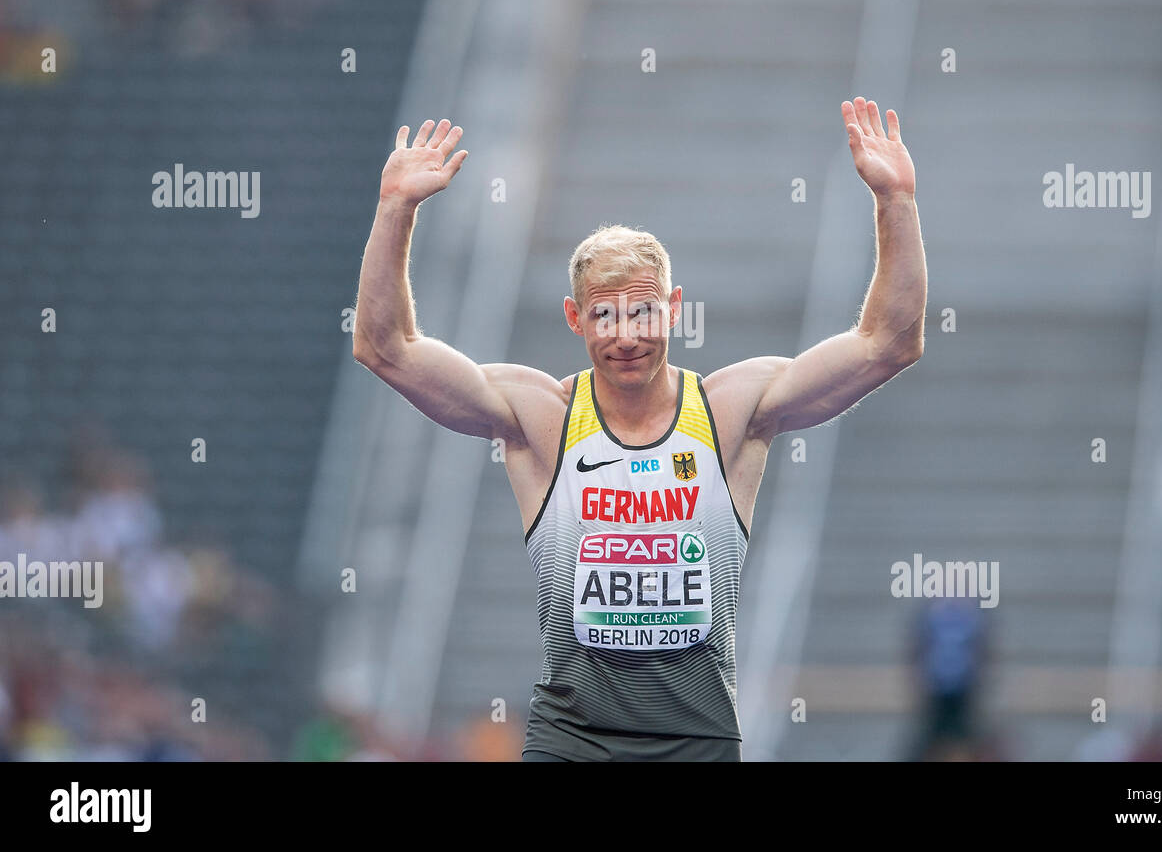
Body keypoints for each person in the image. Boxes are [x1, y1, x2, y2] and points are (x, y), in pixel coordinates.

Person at [352, 98, 927, 761]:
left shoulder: (730, 413)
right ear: (576, 318)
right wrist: (396, 207)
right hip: (573, 743)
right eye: (605, 315)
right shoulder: (542, 419)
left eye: (643, 312)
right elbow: (384, 346)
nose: (625, 336)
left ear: (674, 309)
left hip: (696, 742)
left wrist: (897, 201)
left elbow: (889, 342)